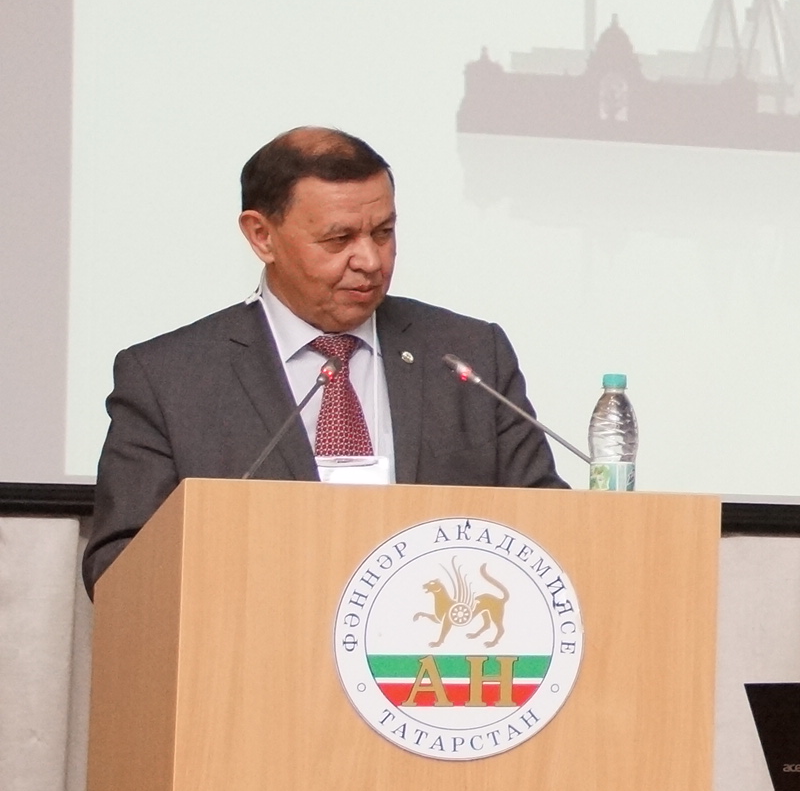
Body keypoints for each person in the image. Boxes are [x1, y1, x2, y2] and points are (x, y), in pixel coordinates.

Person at [82, 127, 565, 591]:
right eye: (339, 240)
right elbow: (119, 567)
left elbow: (550, 529)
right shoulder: (169, 379)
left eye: (383, 232)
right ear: (261, 236)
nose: (370, 261)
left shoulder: (469, 356)